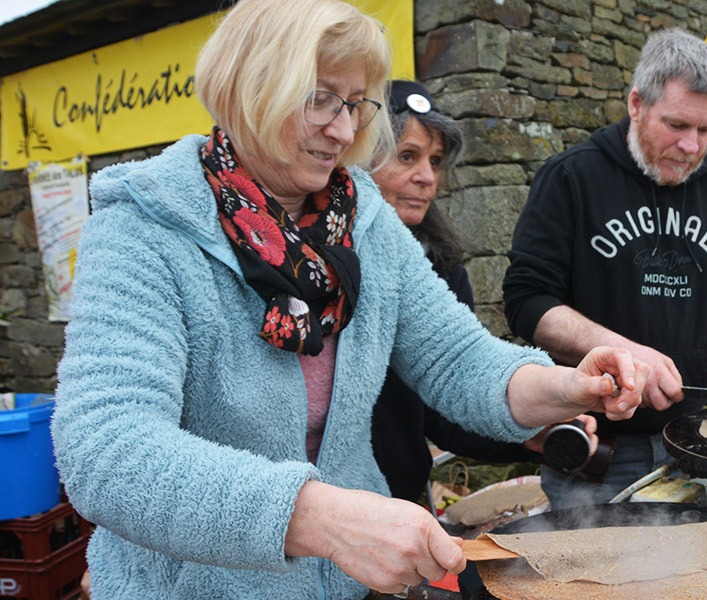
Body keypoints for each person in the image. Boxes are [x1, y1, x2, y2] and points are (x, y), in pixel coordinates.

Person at [50, 2, 646, 599]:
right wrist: (320, 519)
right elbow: (105, 448)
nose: (342, 129)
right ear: (246, 88)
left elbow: (452, 354)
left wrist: (561, 386)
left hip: (344, 587)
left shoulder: (361, 220)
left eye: (355, 103)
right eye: (318, 99)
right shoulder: (145, 227)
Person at [503, 28, 707, 508]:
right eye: (677, 125)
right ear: (636, 104)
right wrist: (623, 352)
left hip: (699, 440)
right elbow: (527, 302)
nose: (693, 146)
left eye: (706, 130)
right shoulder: (572, 178)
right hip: (598, 451)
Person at [370, 80, 597, 503]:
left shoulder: (442, 269)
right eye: (407, 157)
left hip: (402, 504)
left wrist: (528, 428)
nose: (426, 178)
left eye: (434, 161)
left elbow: (450, 398)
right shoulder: (315, 265)